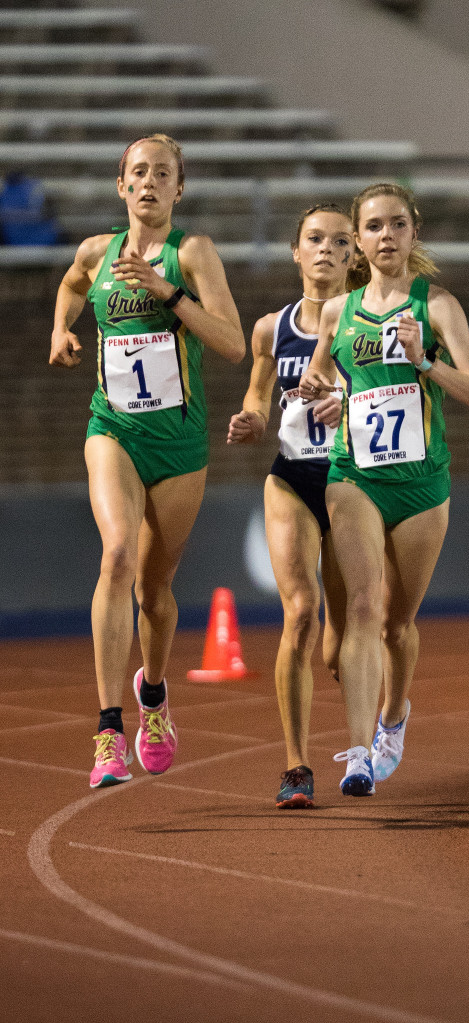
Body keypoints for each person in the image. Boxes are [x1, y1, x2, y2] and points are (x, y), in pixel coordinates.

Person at [49, 134, 245, 786]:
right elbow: (73, 284)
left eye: (164, 173)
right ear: (122, 185)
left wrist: (166, 291)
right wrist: (61, 328)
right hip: (114, 430)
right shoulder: (97, 251)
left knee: (155, 592)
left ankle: (153, 695)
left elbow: (232, 345)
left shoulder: (192, 254)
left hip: (179, 446)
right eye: (139, 172)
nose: (150, 182)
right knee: (117, 556)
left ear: (179, 189)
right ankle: (109, 729)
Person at [299, 182, 469, 795]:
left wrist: (426, 362)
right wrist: (324, 397)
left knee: (396, 625)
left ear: (414, 234)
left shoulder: (437, 307)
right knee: (359, 606)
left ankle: (394, 714)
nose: (386, 236)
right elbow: (325, 378)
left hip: (421, 483)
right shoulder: (338, 311)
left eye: (397, 225)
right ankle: (358, 752)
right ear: (358, 240)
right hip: (354, 474)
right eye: (374, 227)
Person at [226, 204, 352, 808]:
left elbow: (401, 400)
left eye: (339, 241)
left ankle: (372, 729)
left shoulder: (370, 321)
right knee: (301, 611)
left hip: (353, 483)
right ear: (295, 252)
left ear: (354, 256)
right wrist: (251, 419)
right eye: (314, 239)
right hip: (292, 479)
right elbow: (257, 394)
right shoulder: (270, 329)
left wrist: (347, 405)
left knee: (343, 642)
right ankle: (296, 766)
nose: (325, 249)